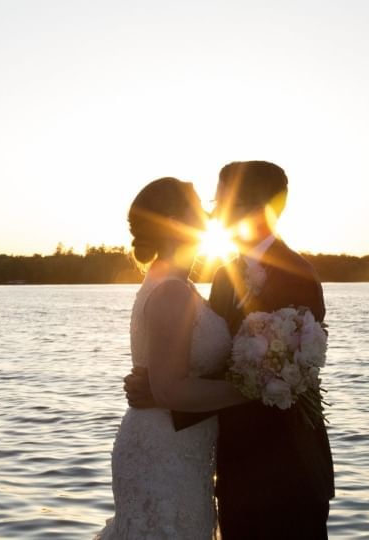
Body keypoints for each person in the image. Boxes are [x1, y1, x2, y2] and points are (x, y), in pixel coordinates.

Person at [126, 161, 335, 539]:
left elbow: (283, 380)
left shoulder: (297, 276)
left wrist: (165, 394)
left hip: (288, 474)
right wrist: (164, 386)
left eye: (219, 200)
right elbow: (215, 356)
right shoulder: (225, 274)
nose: (212, 211)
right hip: (234, 473)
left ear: (251, 208)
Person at [94, 177, 248, 539]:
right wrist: (251, 390)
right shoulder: (172, 291)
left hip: (181, 452)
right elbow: (171, 390)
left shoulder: (175, 282)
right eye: (198, 205)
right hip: (163, 455)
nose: (209, 211)